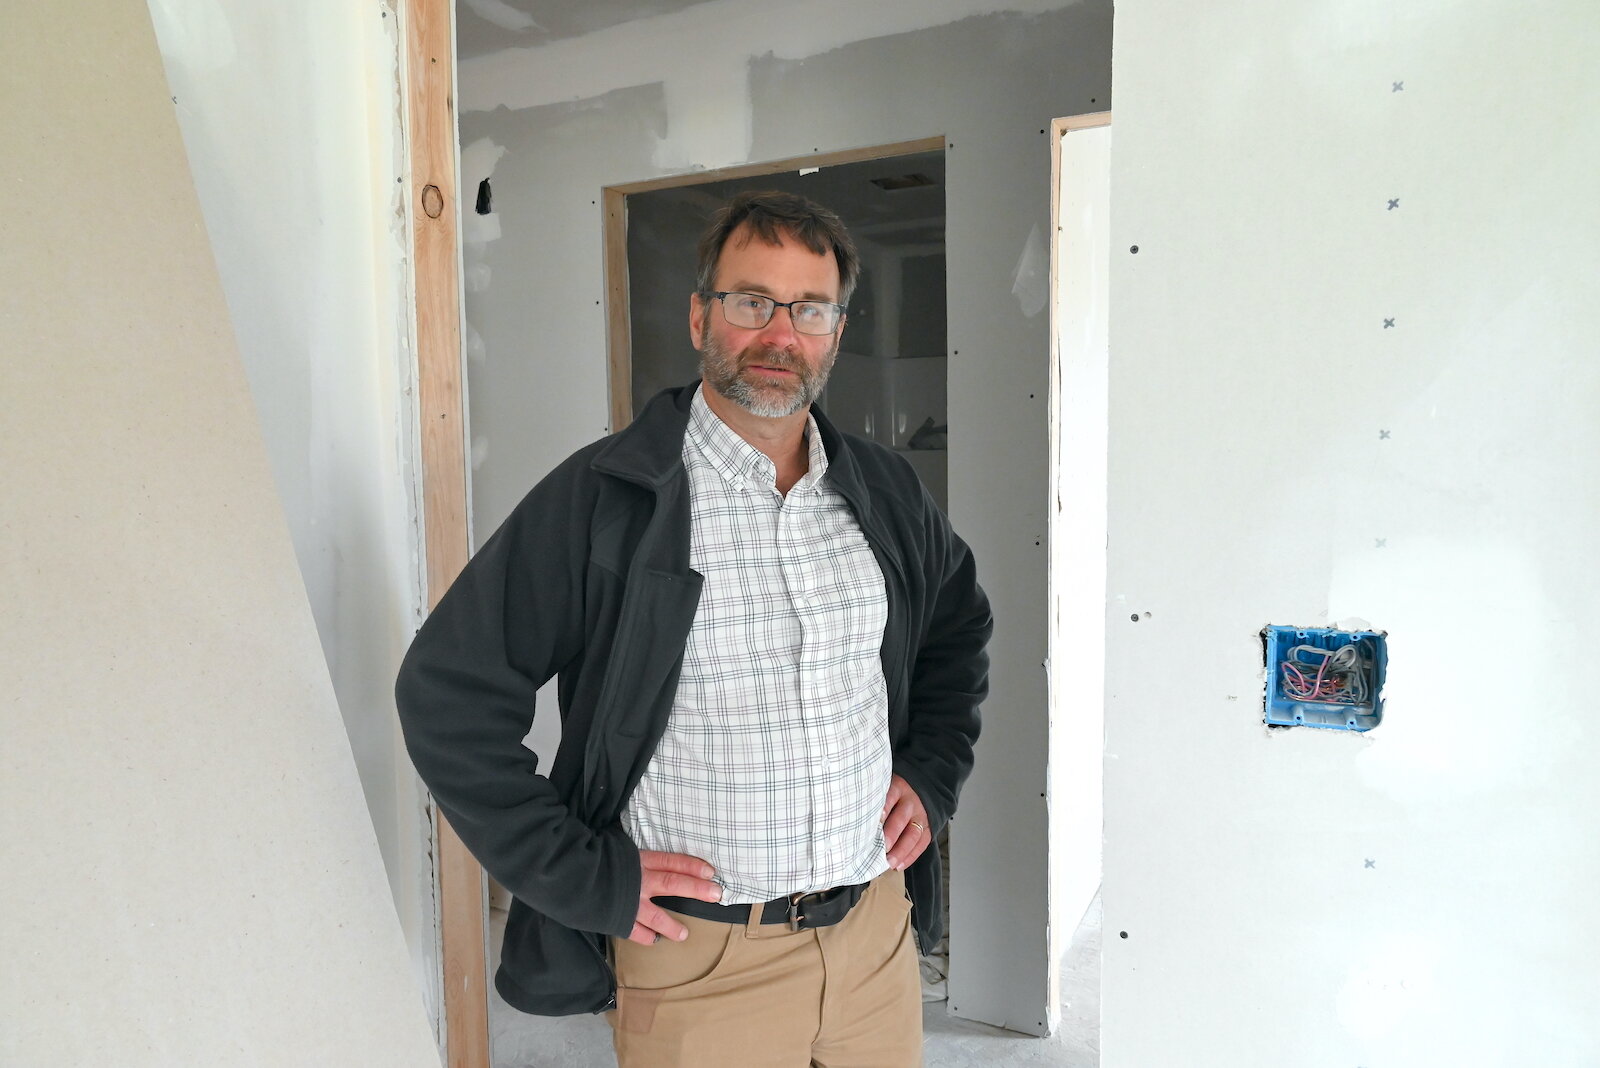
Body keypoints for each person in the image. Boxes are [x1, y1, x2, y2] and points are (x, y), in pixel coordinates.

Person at [396, 190, 992, 1067]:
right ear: (700, 314)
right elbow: (447, 695)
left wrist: (934, 769)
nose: (780, 335)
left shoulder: (883, 491)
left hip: (874, 938)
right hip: (702, 963)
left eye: (810, 309)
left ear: (835, 329)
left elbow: (956, 624)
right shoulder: (606, 500)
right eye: (751, 301)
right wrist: (580, 873)